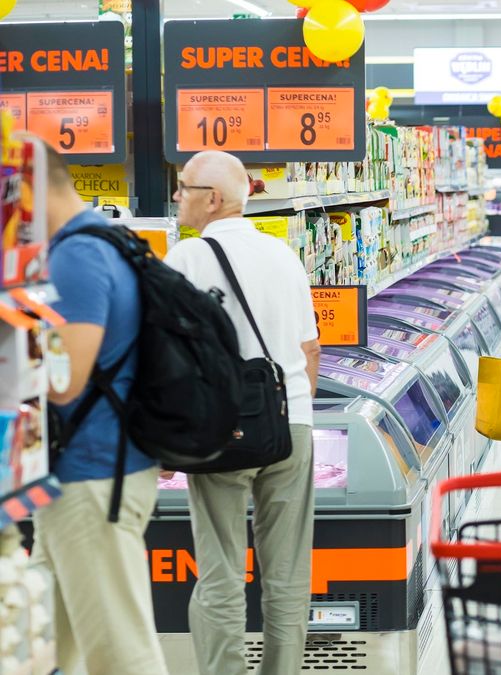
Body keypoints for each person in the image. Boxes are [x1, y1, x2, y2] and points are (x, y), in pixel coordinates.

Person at [163, 150, 322, 675]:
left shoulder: (185, 261)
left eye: (183, 186)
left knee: (220, 573)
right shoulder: (284, 256)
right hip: (290, 426)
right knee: (289, 573)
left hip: (219, 431)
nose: (177, 195)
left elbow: (168, 360)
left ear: (213, 199)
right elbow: (309, 350)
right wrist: (295, 412)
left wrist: (170, 437)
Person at [28, 138, 169, 675]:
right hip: (84, 473)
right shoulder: (103, 241)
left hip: (93, 479)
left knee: (120, 653)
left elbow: (66, 381)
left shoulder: (77, 255)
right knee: (46, 647)